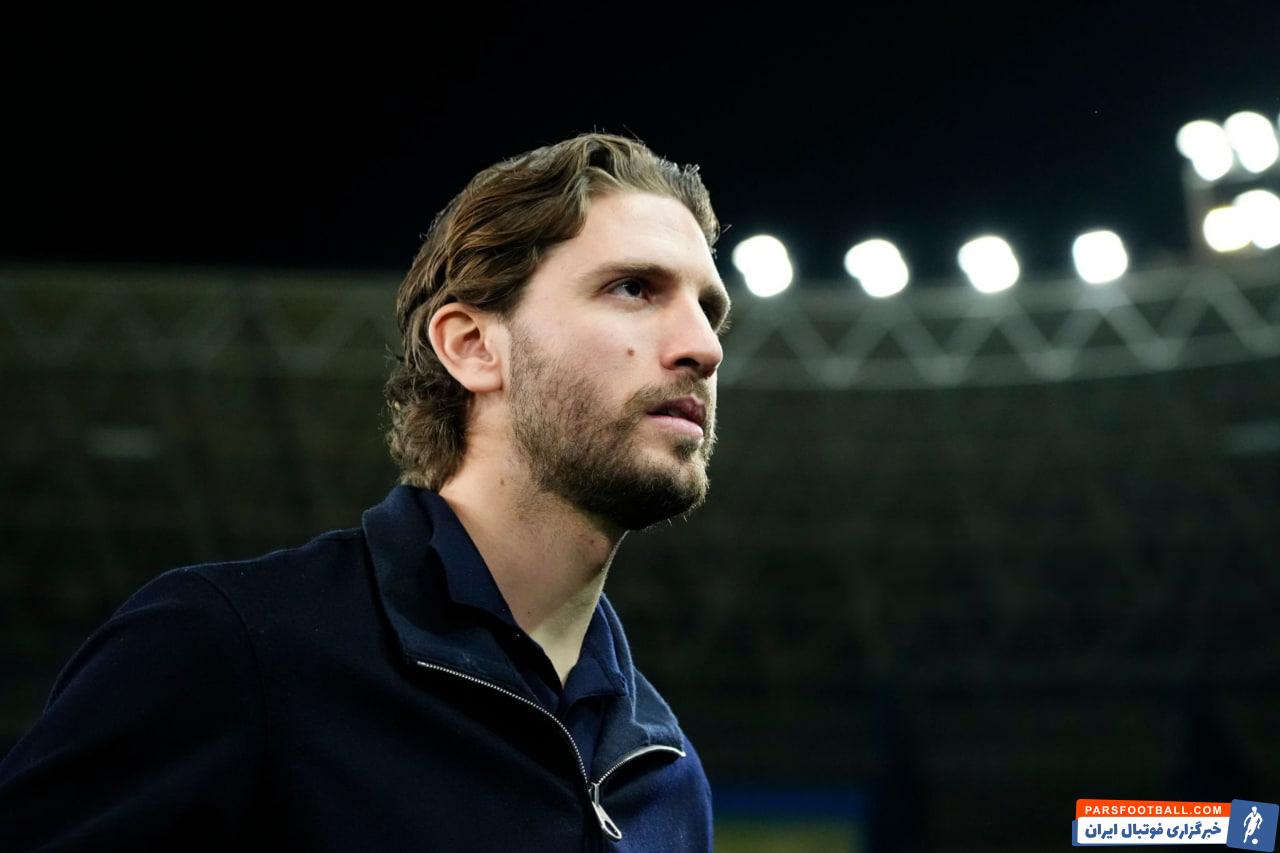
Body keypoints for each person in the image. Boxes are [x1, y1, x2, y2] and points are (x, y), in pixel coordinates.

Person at [0, 132, 732, 851]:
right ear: (473, 346)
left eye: (710, 309)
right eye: (634, 288)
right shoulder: (229, 647)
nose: (705, 346)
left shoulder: (667, 778)